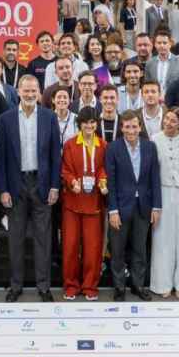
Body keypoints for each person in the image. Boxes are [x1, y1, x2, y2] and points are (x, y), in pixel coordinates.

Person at [0, 74, 61, 302]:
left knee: (43, 238)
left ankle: (43, 286)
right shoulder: (5, 119)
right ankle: (16, 285)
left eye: (34, 91)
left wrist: (55, 185)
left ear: (39, 91)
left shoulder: (49, 117)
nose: (30, 95)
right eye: (26, 91)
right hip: (15, 185)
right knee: (16, 239)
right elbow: (1, 157)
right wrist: (3, 189)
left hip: (42, 184)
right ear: (18, 91)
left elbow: (55, 155)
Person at [105, 110, 161, 301]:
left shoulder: (150, 147)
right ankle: (119, 287)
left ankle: (138, 285)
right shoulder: (113, 148)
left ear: (140, 127)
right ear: (121, 128)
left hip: (143, 207)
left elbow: (155, 178)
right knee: (118, 250)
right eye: (127, 126)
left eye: (134, 126)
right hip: (120, 208)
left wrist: (156, 207)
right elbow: (110, 182)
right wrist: (112, 210)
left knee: (140, 250)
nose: (131, 130)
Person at [59, 109, 109, 300]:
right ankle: (71, 286)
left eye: (93, 123)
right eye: (85, 123)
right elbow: (65, 169)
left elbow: (104, 169)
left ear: (97, 124)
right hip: (72, 202)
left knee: (93, 248)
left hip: (94, 203)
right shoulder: (71, 144)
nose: (89, 126)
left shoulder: (103, 145)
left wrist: (103, 182)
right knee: (70, 246)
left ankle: (90, 287)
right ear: (79, 124)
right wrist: (72, 182)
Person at [150, 107, 179, 298]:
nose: (168, 123)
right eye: (166, 119)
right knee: (162, 239)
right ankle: (162, 284)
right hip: (162, 191)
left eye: (173, 120)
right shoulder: (154, 139)